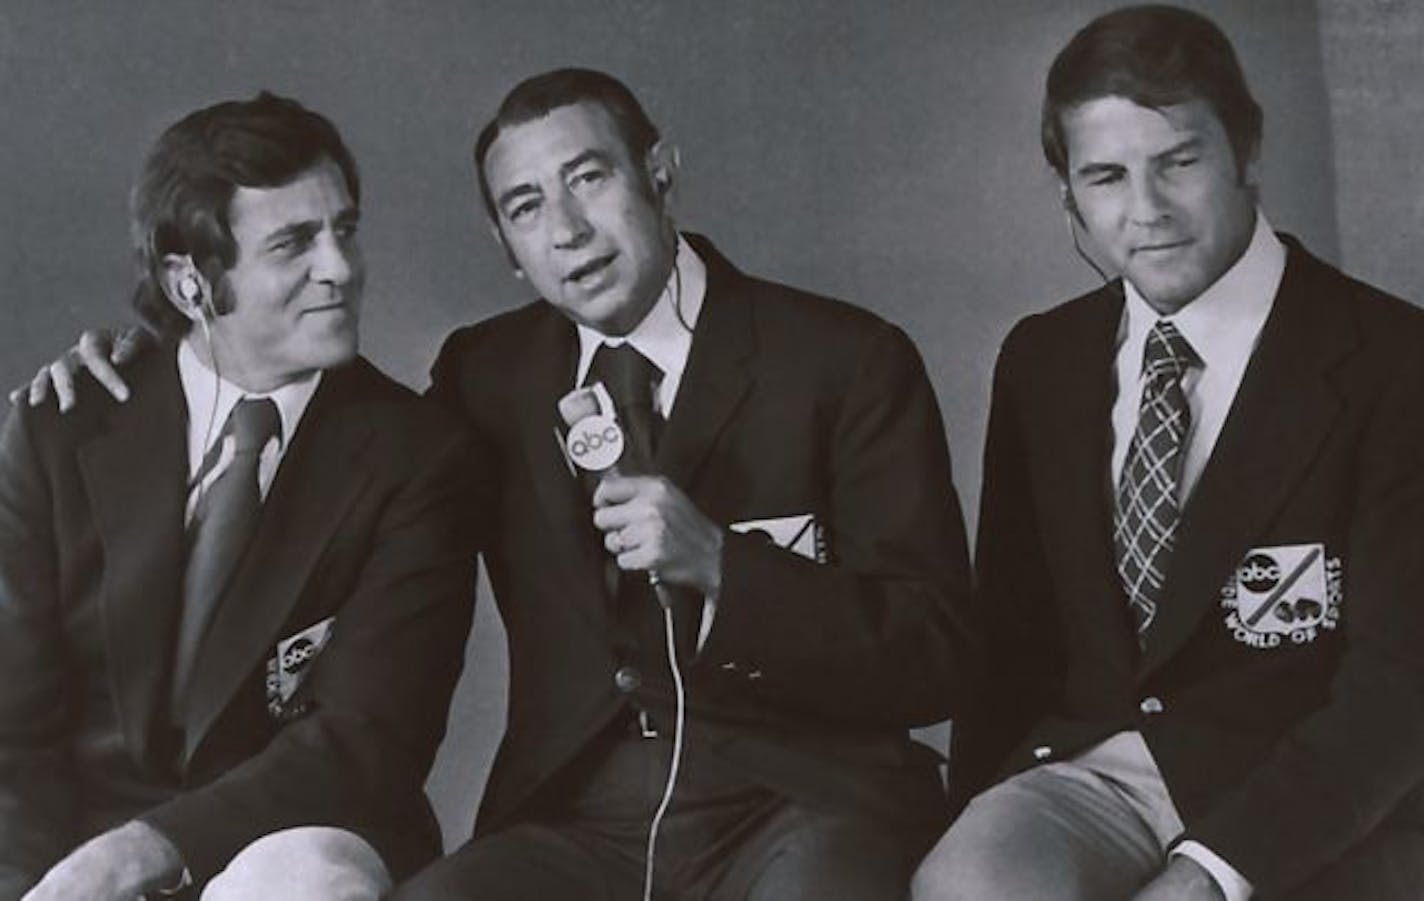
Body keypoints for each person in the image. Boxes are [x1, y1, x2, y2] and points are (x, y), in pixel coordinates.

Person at [24, 68, 979, 899]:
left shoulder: (844, 359)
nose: (567, 230)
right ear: (504, 246)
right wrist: (153, 354)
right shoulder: (484, 380)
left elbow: (937, 652)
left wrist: (729, 569)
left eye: (590, 179)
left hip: (807, 801)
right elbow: (268, 394)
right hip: (579, 815)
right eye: (526, 207)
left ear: (661, 173)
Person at [912, 6, 1424, 901]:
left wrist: (1211, 872)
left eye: (1178, 162)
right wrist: (979, 809)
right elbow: (1014, 646)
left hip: (1328, 784)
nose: (1145, 212)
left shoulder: (1392, 360)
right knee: (971, 884)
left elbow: (1399, 690)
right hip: (1103, 770)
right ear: (1068, 193)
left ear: (1247, 152)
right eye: (1106, 176)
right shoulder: (1044, 361)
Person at [0, 92, 475, 899]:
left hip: (298, 837)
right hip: (72, 851)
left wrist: (142, 850)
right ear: (190, 285)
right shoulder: (60, 429)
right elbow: (11, 727)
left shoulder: (418, 453)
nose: (341, 267)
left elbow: (365, 740)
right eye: (294, 243)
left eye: (345, 230)